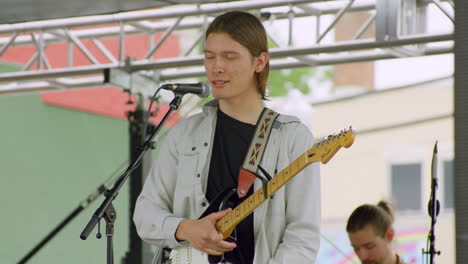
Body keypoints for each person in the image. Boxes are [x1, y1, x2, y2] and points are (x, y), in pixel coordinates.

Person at [133, 10, 321, 264]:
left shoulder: (293, 138)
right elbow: (145, 214)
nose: (216, 67)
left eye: (229, 57)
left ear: (260, 61)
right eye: (209, 57)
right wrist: (187, 229)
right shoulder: (184, 134)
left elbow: (302, 238)